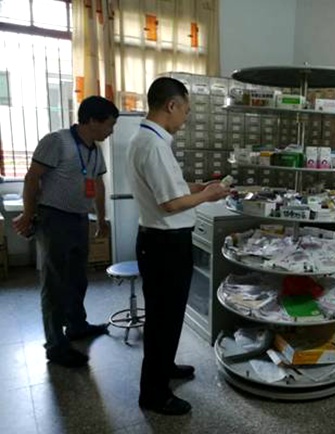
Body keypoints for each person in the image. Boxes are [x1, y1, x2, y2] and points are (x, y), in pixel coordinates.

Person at [127, 77, 229, 416]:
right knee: (163, 319)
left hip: (159, 242)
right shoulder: (154, 145)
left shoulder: (147, 138)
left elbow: (167, 188)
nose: (186, 118)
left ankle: (165, 367)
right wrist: (207, 196)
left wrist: (195, 187)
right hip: (164, 245)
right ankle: (153, 394)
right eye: (185, 110)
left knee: (167, 316)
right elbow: (170, 204)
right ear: (171, 105)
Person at [13, 96, 119, 367]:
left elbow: (98, 184)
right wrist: (28, 213)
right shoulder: (57, 141)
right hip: (54, 218)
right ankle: (55, 344)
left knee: (77, 277)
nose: (111, 130)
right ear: (92, 121)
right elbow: (32, 177)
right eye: (109, 124)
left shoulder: (95, 150)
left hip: (80, 218)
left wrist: (102, 219)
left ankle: (76, 325)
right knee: (55, 282)